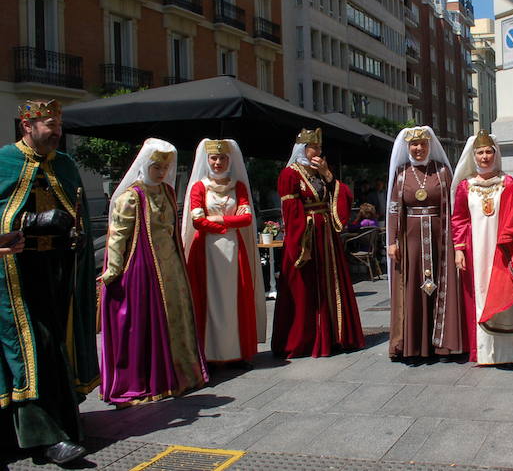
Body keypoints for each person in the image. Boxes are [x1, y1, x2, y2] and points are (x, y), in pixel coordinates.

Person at [0, 100, 98, 465]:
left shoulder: (66, 165)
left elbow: (78, 217)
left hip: (55, 274)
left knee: (55, 347)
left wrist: (77, 237)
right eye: (49, 124)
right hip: (14, 275)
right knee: (29, 350)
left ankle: (64, 425)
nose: (57, 131)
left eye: (58, 124)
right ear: (27, 126)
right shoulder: (4, 162)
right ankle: (44, 437)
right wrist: (30, 222)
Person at [99, 138, 207, 407]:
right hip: (142, 268)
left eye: (165, 167)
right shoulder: (130, 197)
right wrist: (113, 270)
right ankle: (150, 378)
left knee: (175, 317)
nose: (160, 172)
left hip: (170, 265)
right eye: (156, 166)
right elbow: (117, 237)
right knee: (145, 322)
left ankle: (179, 372)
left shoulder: (168, 193)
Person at [451, 130, 513, 365]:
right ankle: (483, 352)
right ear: (474, 156)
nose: (484, 157)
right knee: (480, 294)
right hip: (476, 250)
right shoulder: (465, 186)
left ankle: (511, 352)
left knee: (505, 292)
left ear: (496, 153)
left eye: (489, 151)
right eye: (480, 152)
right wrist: (459, 249)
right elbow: (459, 218)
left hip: (502, 249)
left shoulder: (508, 183)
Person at [272, 128, 364, 358]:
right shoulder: (290, 175)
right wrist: (300, 243)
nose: (319, 152)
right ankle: (306, 339)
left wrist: (328, 175)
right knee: (307, 288)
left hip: (327, 238)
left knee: (330, 284)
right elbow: (291, 212)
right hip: (307, 237)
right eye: (314, 147)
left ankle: (335, 336)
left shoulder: (320, 171)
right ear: (302, 149)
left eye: (320, 148)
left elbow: (343, 195)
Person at [182, 139, 266, 368]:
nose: (218, 162)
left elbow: (247, 218)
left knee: (235, 301)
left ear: (230, 160)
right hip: (206, 253)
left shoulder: (238, 186)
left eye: (222, 158)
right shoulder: (198, 187)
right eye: (214, 158)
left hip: (233, 252)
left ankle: (236, 352)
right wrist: (228, 224)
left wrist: (218, 219)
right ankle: (209, 354)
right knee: (208, 300)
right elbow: (197, 221)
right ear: (207, 160)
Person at [386, 126, 467, 362]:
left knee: (440, 286)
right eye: (414, 145)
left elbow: (454, 208)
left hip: (439, 238)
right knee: (412, 288)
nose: (419, 148)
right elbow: (393, 210)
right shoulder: (401, 174)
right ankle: (413, 346)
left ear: (430, 146)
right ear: (408, 147)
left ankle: (442, 345)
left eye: (423, 144)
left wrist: (456, 243)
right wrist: (392, 241)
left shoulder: (442, 172)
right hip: (409, 241)